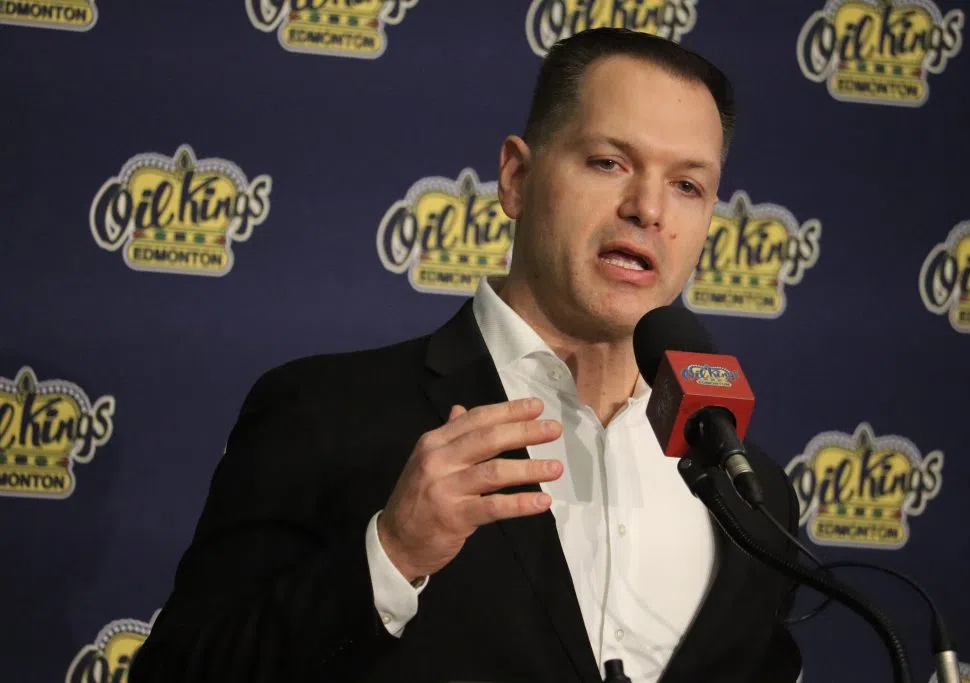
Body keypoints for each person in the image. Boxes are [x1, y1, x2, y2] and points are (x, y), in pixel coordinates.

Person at [130, 27, 802, 683]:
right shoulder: (324, 414)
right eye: (609, 163)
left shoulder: (753, 494)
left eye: (687, 185)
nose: (649, 208)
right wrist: (391, 555)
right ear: (516, 177)